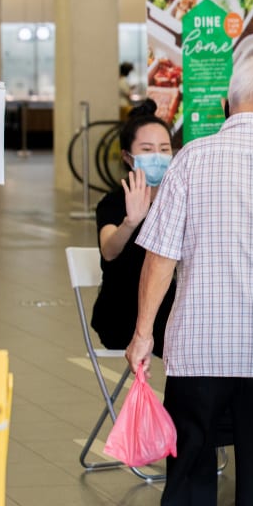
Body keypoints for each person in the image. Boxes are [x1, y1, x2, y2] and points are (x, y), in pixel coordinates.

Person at [125, 50, 253, 506]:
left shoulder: (192, 157)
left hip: (201, 344)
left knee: (191, 468)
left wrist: (142, 334)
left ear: (225, 104)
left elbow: (161, 257)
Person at [92, 100, 174, 349]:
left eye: (164, 149)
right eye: (147, 150)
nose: (157, 157)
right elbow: (108, 250)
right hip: (123, 315)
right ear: (128, 157)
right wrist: (130, 222)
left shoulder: (178, 199)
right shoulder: (115, 202)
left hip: (169, 311)